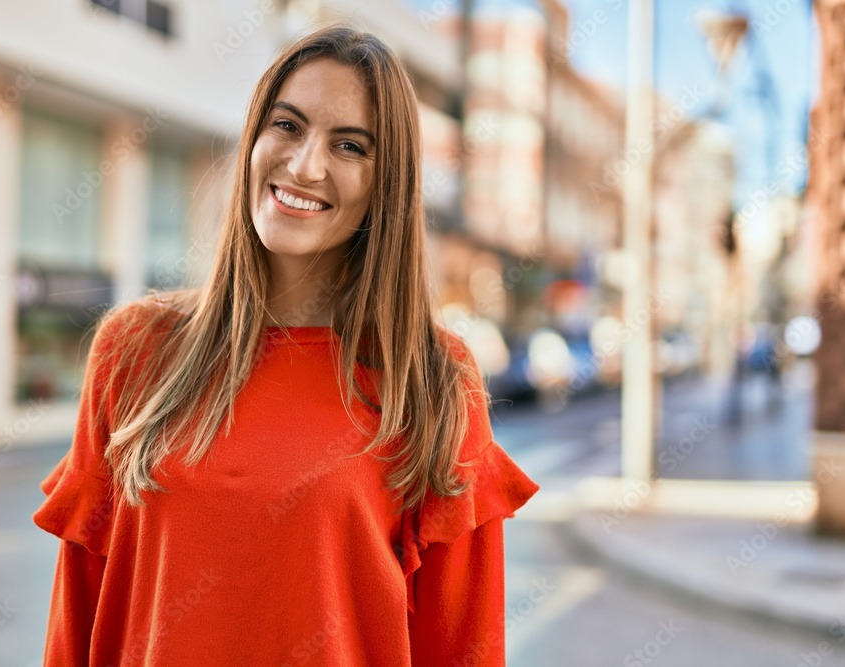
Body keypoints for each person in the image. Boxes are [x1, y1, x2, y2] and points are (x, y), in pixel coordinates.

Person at [33, 22, 540, 667]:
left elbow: (464, 649)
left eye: (351, 145)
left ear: (388, 183)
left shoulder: (432, 378)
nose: (305, 165)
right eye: (288, 125)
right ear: (253, 137)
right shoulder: (134, 348)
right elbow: (77, 621)